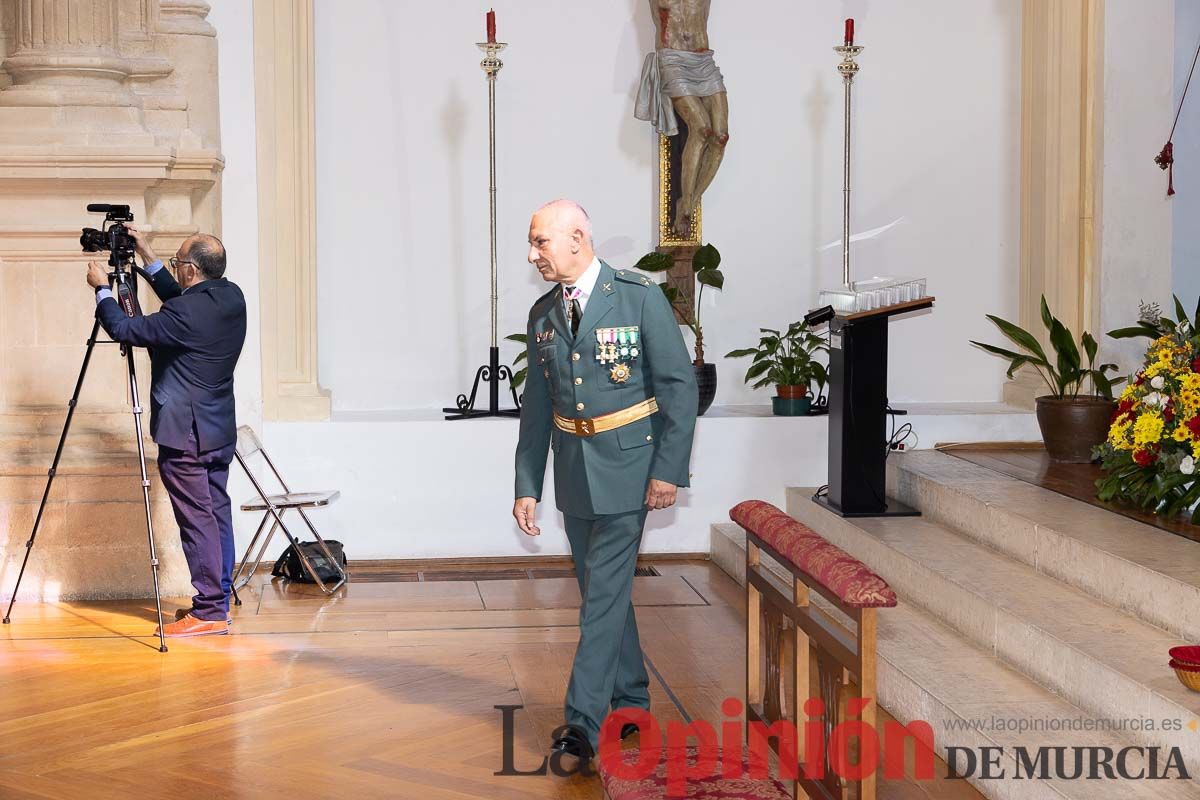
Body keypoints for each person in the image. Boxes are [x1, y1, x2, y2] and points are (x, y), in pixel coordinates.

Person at [513, 200, 698, 765]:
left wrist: (668, 471)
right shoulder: (544, 314)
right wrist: (528, 483)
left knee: (600, 599)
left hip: (628, 470)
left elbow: (678, 387)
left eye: (540, 242)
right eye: (533, 242)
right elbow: (537, 408)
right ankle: (633, 698)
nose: (532, 254)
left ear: (577, 238)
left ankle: (584, 724)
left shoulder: (638, 297)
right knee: (604, 594)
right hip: (573, 469)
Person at [86, 226, 247, 638]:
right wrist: (149, 256)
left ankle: (209, 612)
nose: (175, 270)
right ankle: (219, 600)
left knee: (198, 522)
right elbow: (183, 303)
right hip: (217, 431)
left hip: (186, 436)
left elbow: (125, 329)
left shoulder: (185, 314)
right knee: (216, 514)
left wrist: (103, 291)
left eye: (177, 265)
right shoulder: (231, 298)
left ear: (191, 270)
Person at [634, 0, 729, 236]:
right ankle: (684, 206)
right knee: (701, 129)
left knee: (721, 137)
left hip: (703, 60)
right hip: (673, 59)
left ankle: (689, 201)